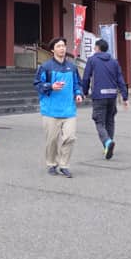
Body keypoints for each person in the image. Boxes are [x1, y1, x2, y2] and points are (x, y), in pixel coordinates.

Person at [33, 36, 83, 178]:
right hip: (50, 110)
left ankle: (64, 165)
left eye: (63, 46)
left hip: (69, 110)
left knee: (70, 137)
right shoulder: (46, 67)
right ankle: (51, 164)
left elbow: (77, 84)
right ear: (52, 50)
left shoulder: (72, 67)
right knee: (52, 141)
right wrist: (51, 86)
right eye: (59, 46)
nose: (62, 48)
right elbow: (37, 84)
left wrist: (78, 94)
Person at [80, 38, 129, 160]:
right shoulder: (114, 61)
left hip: (99, 96)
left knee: (99, 121)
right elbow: (120, 79)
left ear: (97, 48)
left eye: (94, 47)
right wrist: (125, 97)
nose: (93, 49)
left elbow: (86, 77)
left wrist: (84, 92)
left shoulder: (92, 60)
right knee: (110, 121)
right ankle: (108, 146)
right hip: (112, 95)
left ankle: (107, 142)